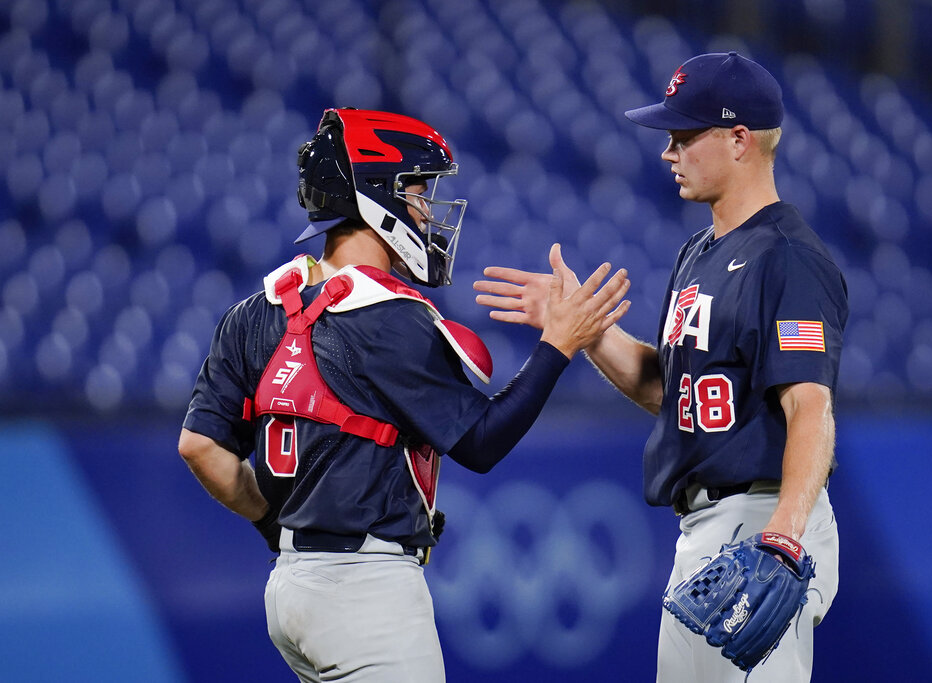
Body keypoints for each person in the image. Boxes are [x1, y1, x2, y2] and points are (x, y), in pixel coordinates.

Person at [178, 107, 630, 683]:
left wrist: (277, 526)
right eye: (416, 191)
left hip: (289, 587)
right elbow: (482, 443)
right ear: (375, 198)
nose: (425, 210)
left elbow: (199, 446)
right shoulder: (391, 318)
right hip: (367, 591)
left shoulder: (257, 309)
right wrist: (559, 346)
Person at [473, 52, 848, 681]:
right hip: (704, 531)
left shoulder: (787, 258)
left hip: (762, 521)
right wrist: (582, 329)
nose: (668, 152)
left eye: (684, 135)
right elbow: (667, 389)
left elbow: (810, 406)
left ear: (738, 140)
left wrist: (783, 538)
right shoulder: (697, 253)